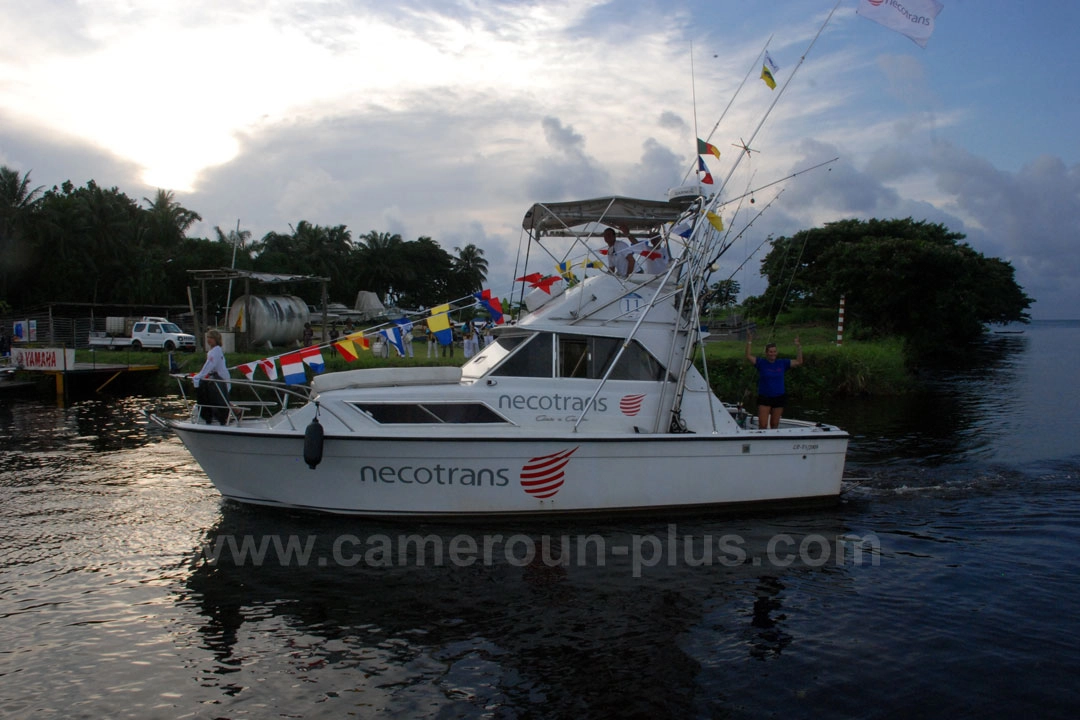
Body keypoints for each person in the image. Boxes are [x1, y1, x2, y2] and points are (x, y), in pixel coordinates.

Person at [745, 332, 802, 430]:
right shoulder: (761, 363)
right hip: (765, 398)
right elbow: (748, 356)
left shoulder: (782, 363)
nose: (773, 354)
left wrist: (798, 347)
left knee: (774, 424)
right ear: (766, 353)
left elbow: (799, 361)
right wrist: (749, 341)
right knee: (763, 425)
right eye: (770, 352)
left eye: (774, 351)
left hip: (779, 397)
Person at [193, 329, 231, 425]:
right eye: (208, 338)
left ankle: (221, 417)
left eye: (211, 338)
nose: (208, 340)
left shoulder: (215, 351)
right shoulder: (215, 350)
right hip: (218, 378)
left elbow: (209, 365)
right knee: (222, 399)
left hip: (220, 379)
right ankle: (236, 412)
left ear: (216, 339)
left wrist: (199, 376)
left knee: (220, 399)